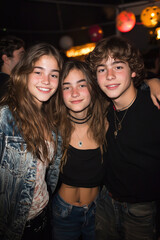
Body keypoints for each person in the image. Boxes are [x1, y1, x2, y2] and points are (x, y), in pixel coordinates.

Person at [86, 36, 160, 240]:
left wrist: (153, 81)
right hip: (105, 203)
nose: (109, 75)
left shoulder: (154, 106)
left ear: (133, 70)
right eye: (102, 69)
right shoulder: (101, 109)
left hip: (142, 211)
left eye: (117, 67)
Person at [0, 42, 63, 240]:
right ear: (24, 73)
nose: (46, 80)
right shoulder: (5, 118)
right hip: (15, 229)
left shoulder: (51, 119)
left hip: (45, 216)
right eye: (38, 72)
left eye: (53, 74)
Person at [51, 59, 108, 240]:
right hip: (63, 213)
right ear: (60, 93)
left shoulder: (106, 122)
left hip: (98, 211)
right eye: (67, 87)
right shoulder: (53, 127)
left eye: (81, 85)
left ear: (92, 87)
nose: (74, 93)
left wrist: (151, 82)